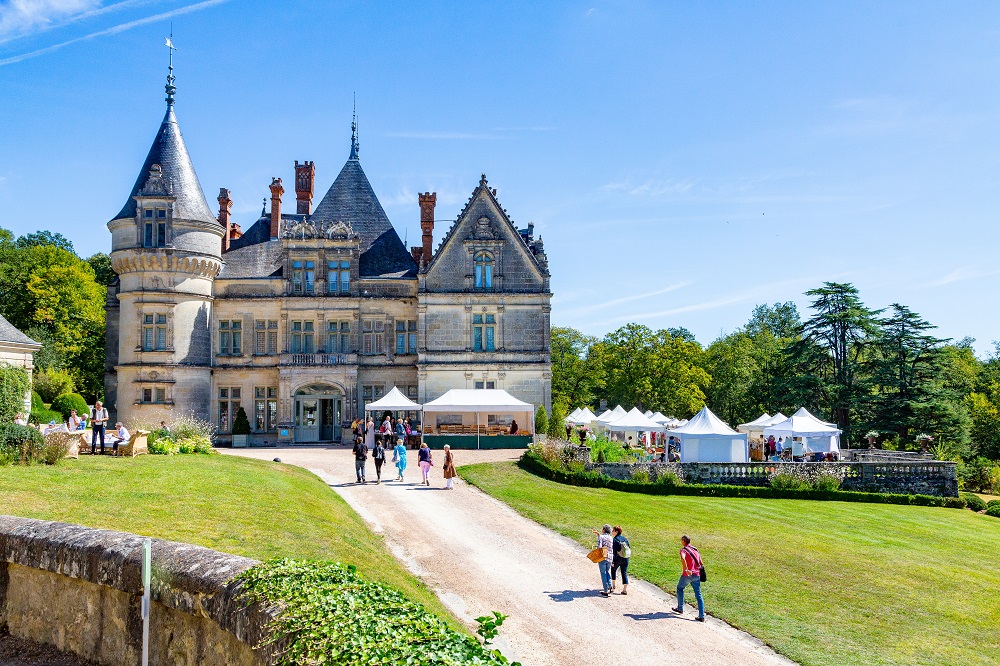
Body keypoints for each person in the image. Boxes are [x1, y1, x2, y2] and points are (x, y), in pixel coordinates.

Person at [672, 535, 705, 621]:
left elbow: (683, 558)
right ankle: (701, 616)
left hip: (687, 575)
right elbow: (701, 562)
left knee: (680, 588)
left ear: (684, 541)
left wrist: (686, 569)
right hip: (697, 574)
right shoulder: (695, 549)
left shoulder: (683, 550)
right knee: (698, 595)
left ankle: (680, 608)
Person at [591, 524, 615, 597]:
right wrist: (598, 535)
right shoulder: (611, 538)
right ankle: (610, 585)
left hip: (603, 557)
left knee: (603, 573)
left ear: (604, 529)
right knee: (607, 572)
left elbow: (599, 547)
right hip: (610, 557)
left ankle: (605, 590)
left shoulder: (601, 537)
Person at [611, 526, 631, 595]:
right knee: (624, 572)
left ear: (616, 532)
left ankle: (613, 586)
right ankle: (624, 590)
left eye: (613, 530)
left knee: (613, 570)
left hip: (618, 558)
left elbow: (613, 551)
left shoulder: (615, 540)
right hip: (626, 558)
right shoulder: (625, 539)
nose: (612, 531)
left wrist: (612, 561)